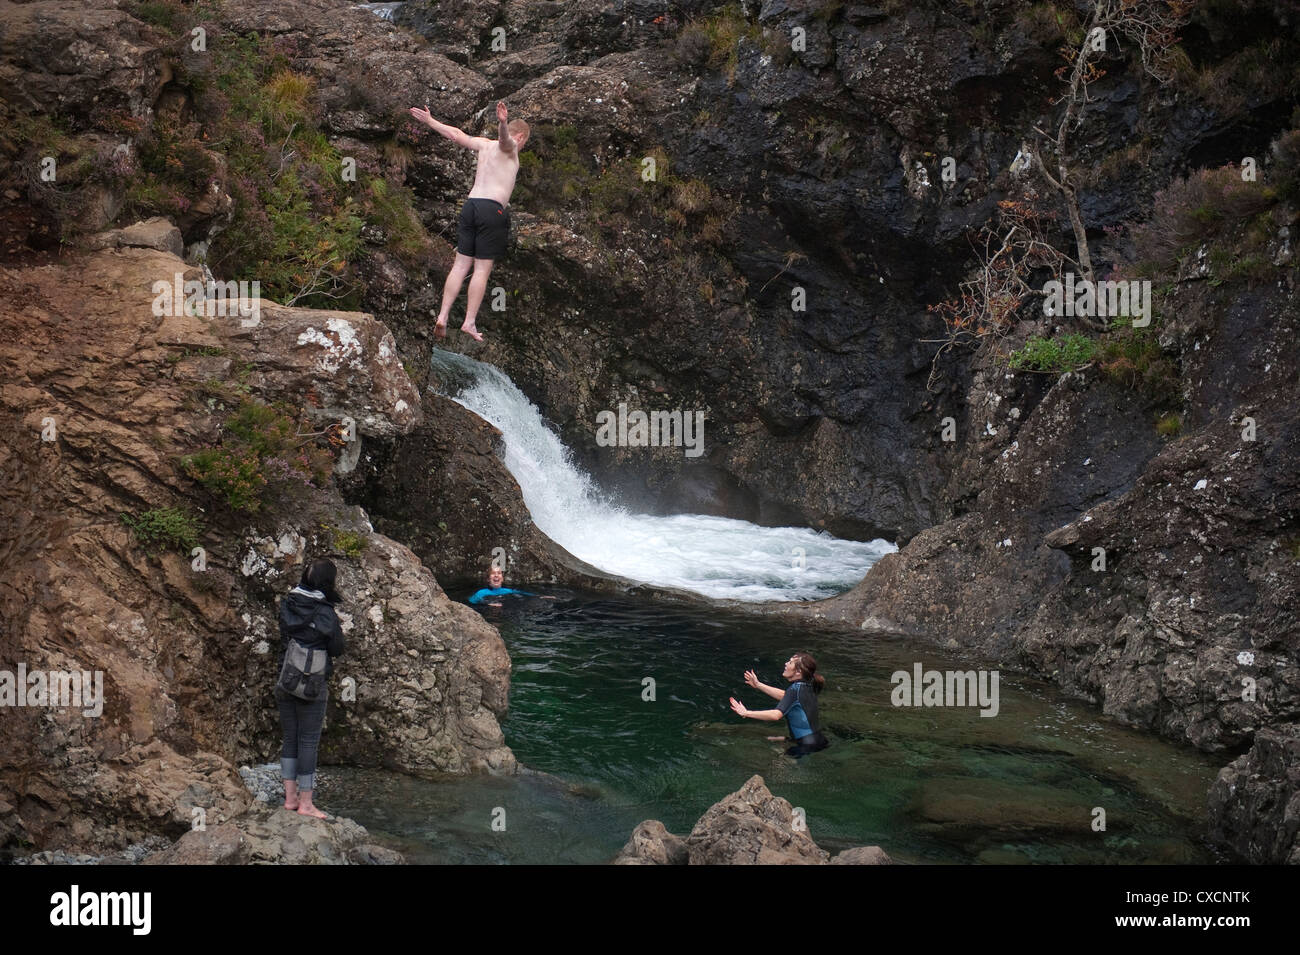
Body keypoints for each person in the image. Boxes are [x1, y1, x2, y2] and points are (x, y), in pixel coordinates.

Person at [407, 99, 530, 342]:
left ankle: (442, 315)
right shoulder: (510, 148)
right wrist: (503, 123)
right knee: (481, 268)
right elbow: (506, 141)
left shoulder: (483, 145)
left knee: (460, 265)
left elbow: (456, 135)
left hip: (470, 206)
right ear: (522, 137)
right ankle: (469, 322)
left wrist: (431, 121)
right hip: (490, 210)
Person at [275, 558, 346, 818]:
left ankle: (290, 799)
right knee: (308, 741)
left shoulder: (288, 603)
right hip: (312, 683)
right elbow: (337, 649)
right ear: (328, 582)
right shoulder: (325, 611)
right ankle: (306, 804)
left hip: (286, 679)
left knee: (290, 738)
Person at [729, 652, 830, 756]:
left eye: (790, 662)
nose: (786, 663)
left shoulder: (795, 689)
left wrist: (746, 713)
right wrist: (758, 685)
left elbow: (775, 715)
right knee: (770, 739)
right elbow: (785, 696)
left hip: (806, 745)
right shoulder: (807, 684)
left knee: (776, 766)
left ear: (798, 672)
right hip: (818, 739)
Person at [467, 565, 555, 607]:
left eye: (499, 573)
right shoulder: (481, 593)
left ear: (502, 578)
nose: (496, 575)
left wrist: (541, 596)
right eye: (493, 573)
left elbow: (524, 594)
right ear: (488, 579)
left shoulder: (508, 591)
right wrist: (488, 603)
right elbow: (471, 601)